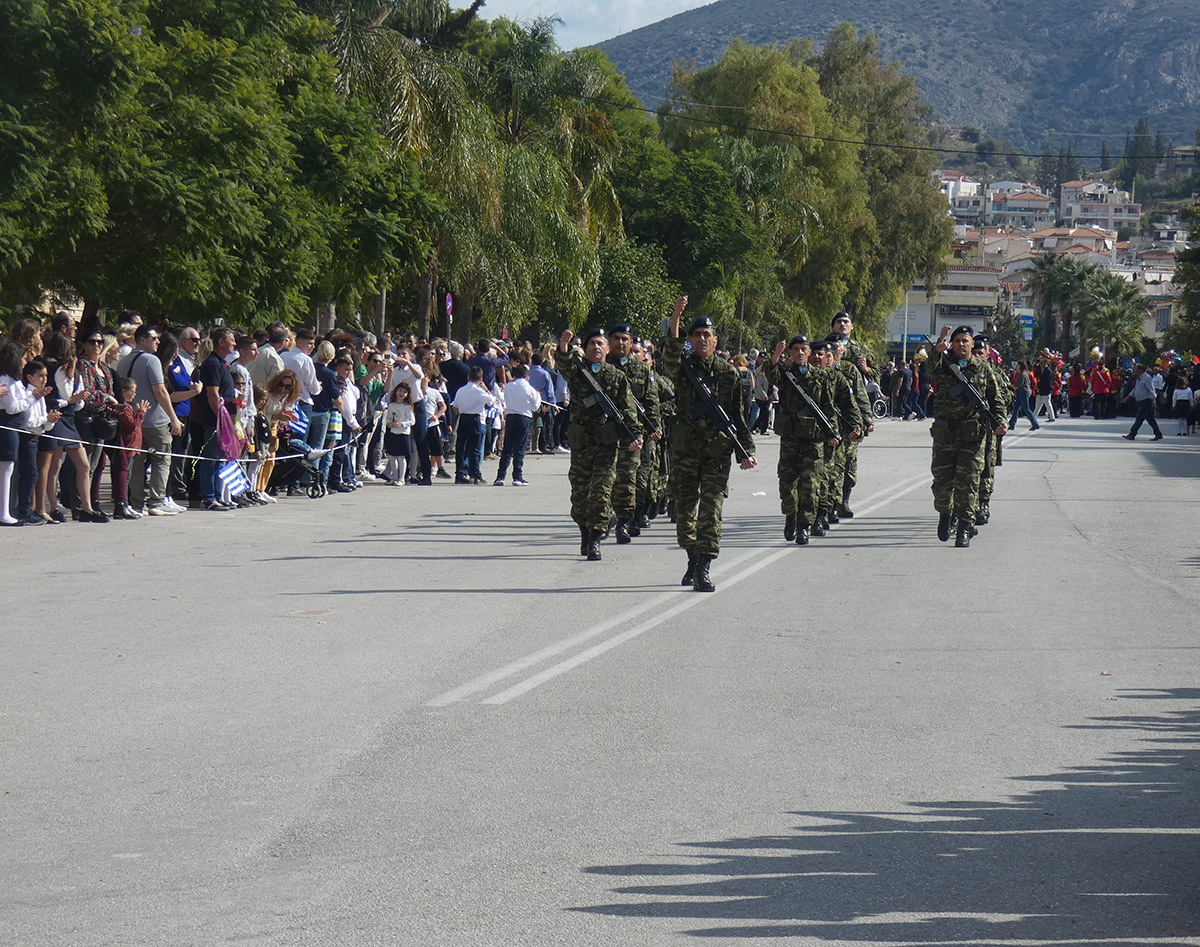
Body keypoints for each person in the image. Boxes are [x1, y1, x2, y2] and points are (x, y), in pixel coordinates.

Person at [662, 297, 756, 590]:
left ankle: (703, 567)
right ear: (690, 340)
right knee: (683, 512)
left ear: (715, 341)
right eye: (697, 334)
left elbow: (737, 416)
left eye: (708, 335)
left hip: (716, 452)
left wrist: (746, 450)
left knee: (711, 510)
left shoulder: (728, 374)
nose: (703, 339)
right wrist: (676, 316)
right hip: (685, 451)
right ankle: (692, 556)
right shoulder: (682, 368)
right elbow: (671, 354)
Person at [554, 327, 642, 561]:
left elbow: (628, 409)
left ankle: (595, 538)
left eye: (600, 343)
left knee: (601, 493)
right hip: (581, 445)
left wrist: (634, 435)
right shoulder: (577, 372)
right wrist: (563, 346)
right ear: (585, 348)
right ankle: (585, 531)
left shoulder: (616, 376)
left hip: (606, 446)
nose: (595, 347)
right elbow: (563, 364)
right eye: (591, 343)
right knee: (579, 497)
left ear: (607, 348)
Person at [928, 325, 1008, 548]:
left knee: (969, 483)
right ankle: (945, 514)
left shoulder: (983, 369)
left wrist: (1001, 421)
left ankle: (964, 527)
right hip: (945, 436)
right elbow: (930, 366)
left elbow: (996, 399)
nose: (961, 344)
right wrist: (939, 343)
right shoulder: (943, 366)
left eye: (966, 341)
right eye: (958, 341)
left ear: (973, 344)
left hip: (973, 437)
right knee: (942, 485)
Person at [768, 335, 848, 545]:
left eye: (804, 349)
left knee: (811, 484)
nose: (800, 353)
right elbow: (770, 375)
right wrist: (776, 355)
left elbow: (828, 406)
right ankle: (791, 516)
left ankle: (804, 525)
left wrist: (832, 432)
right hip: (790, 438)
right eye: (796, 349)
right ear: (791, 352)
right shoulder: (785, 374)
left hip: (813, 439)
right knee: (787, 483)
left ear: (809, 352)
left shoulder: (820, 377)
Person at [117, 325, 183, 516]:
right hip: (155, 419)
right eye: (154, 338)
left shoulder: (124, 361)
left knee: (137, 463)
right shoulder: (151, 360)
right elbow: (160, 391)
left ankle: (137, 502)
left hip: (135, 419)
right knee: (162, 459)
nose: (158, 342)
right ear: (142, 340)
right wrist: (174, 418)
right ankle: (156, 500)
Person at [605, 323, 659, 541]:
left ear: (631, 342)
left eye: (624, 339)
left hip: (632, 433)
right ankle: (605, 518)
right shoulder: (600, 366)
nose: (620, 342)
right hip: (604, 433)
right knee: (605, 479)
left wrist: (654, 426)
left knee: (628, 480)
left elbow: (651, 400)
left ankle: (625, 523)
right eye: (616, 338)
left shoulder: (641, 369)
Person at [971, 335, 1012, 527]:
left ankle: (983, 502)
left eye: (981, 353)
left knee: (988, 466)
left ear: (987, 354)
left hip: (990, 427)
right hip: (970, 426)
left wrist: (998, 400)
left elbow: (1009, 394)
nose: (977, 356)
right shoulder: (965, 371)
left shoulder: (996, 374)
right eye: (975, 352)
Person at [494, 363, 541, 486]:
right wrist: (538, 396)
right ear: (527, 377)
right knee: (519, 447)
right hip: (523, 417)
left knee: (507, 448)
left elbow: (504, 399)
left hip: (510, 416)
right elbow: (535, 407)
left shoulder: (509, 386)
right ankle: (517, 476)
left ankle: (500, 476)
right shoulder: (529, 389)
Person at [1121, 364, 1164, 441]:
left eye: (1136, 370)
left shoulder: (1147, 378)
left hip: (1146, 401)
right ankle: (1158, 433)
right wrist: (1127, 397)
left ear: (1141, 370)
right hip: (1140, 401)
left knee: (1139, 418)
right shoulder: (1139, 378)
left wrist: (1153, 400)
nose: (1135, 372)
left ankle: (1132, 433)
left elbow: (1151, 389)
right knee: (1150, 419)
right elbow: (1136, 389)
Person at [1008, 360, 1039, 431]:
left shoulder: (1022, 375)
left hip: (1023, 392)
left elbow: (1018, 385)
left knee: (1026, 409)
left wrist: (1010, 386)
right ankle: (1011, 424)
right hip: (1021, 392)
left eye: (1018, 366)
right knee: (1015, 409)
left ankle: (1035, 424)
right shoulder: (1023, 373)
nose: (1016, 367)